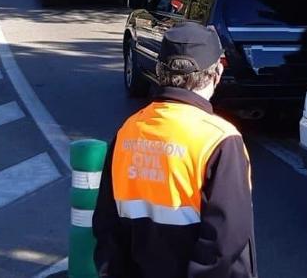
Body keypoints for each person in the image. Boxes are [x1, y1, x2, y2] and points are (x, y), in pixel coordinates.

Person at [93, 23, 257, 278]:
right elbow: (226, 239)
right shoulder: (220, 139)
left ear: (160, 72)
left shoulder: (128, 131)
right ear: (217, 73)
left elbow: (107, 227)